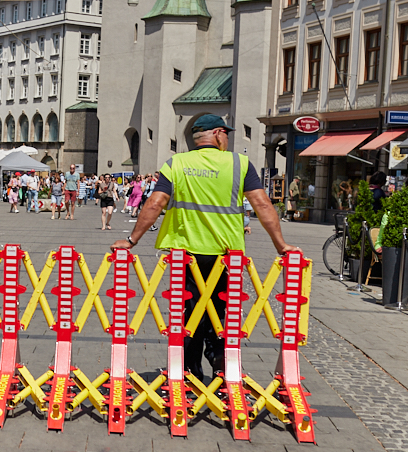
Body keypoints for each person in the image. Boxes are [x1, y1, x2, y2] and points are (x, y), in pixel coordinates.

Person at [112, 114, 299, 379]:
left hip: (185, 255)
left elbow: (155, 203)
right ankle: (221, 363)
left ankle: (189, 369)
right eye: (227, 135)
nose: (227, 140)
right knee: (221, 309)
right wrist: (280, 244)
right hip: (226, 255)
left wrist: (131, 240)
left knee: (187, 311)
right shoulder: (239, 163)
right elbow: (263, 205)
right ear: (218, 133)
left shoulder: (177, 163)